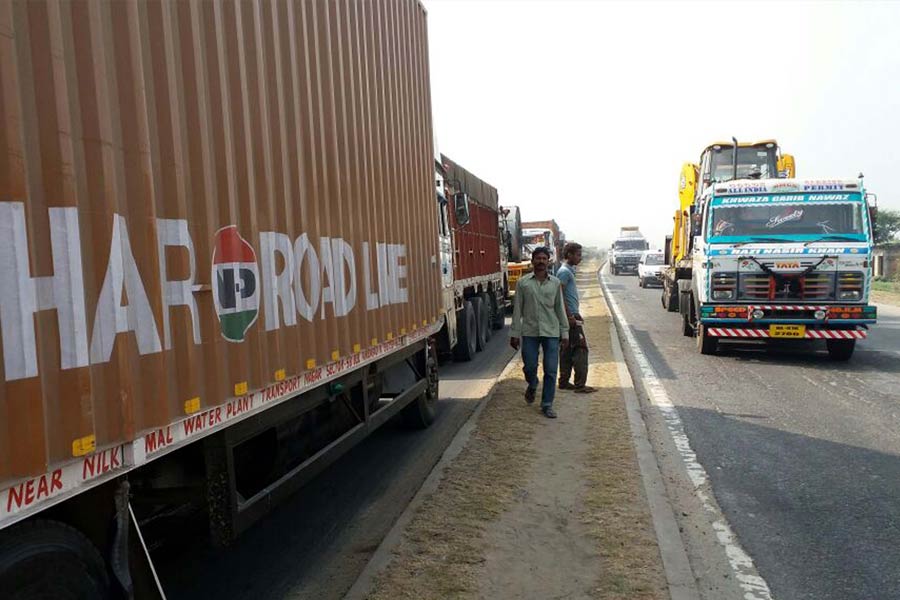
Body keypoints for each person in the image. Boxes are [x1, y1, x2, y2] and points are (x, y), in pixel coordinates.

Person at [509, 247, 569, 419]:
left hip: (551, 331)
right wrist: (515, 333)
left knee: (551, 370)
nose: (541, 261)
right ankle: (533, 383)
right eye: (538, 258)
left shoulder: (555, 283)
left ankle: (547, 404)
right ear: (533, 261)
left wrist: (564, 333)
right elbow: (517, 310)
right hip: (530, 332)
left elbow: (560, 309)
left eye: (544, 258)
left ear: (548, 261)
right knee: (529, 366)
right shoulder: (523, 283)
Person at [556, 242, 596, 394]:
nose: (580, 258)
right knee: (580, 349)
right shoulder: (564, 272)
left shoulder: (567, 271)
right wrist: (570, 315)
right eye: (578, 254)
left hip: (570, 314)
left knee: (567, 349)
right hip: (570, 316)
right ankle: (580, 384)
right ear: (569, 255)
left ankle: (564, 381)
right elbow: (559, 295)